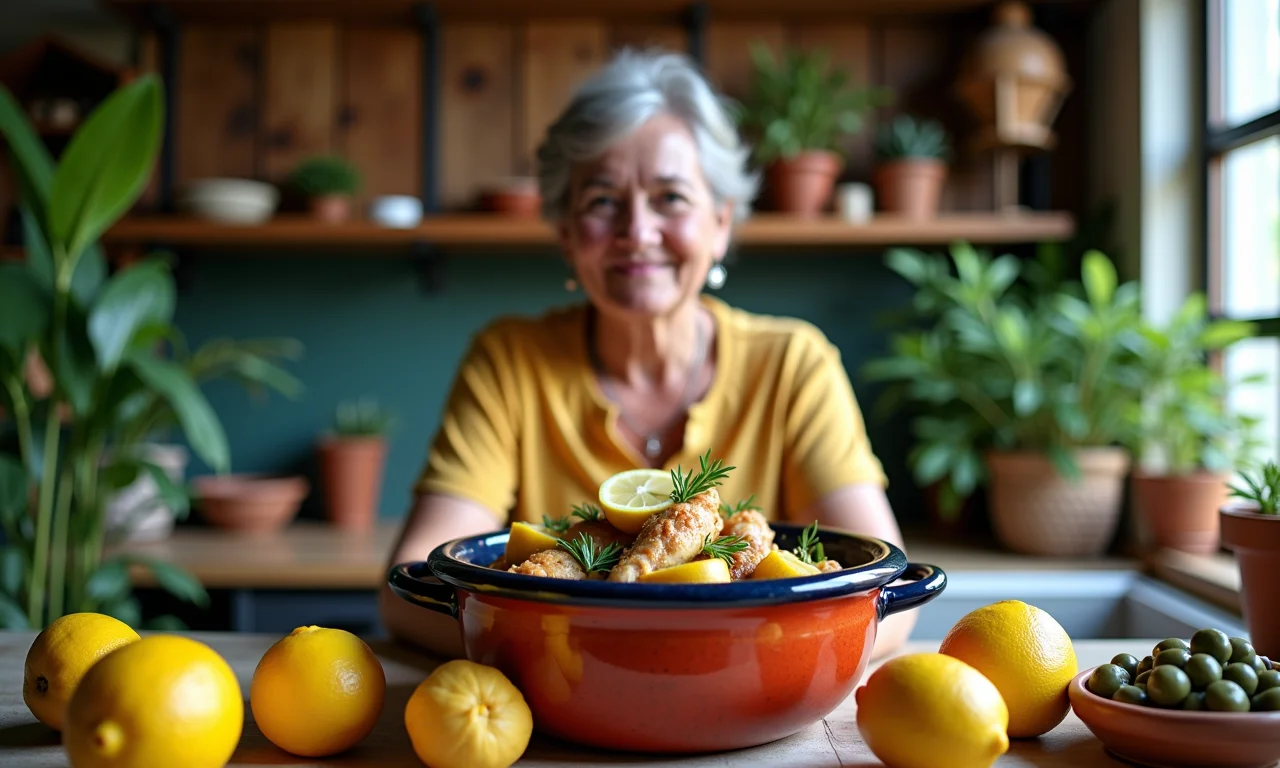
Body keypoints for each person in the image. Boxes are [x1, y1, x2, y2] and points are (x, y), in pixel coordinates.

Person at [379, 49, 913, 658]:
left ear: (720, 223)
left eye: (671, 197)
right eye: (603, 201)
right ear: (567, 233)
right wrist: (617, 657)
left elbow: (887, 602)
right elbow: (408, 592)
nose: (638, 230)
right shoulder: (509, 361)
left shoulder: (795, 364)